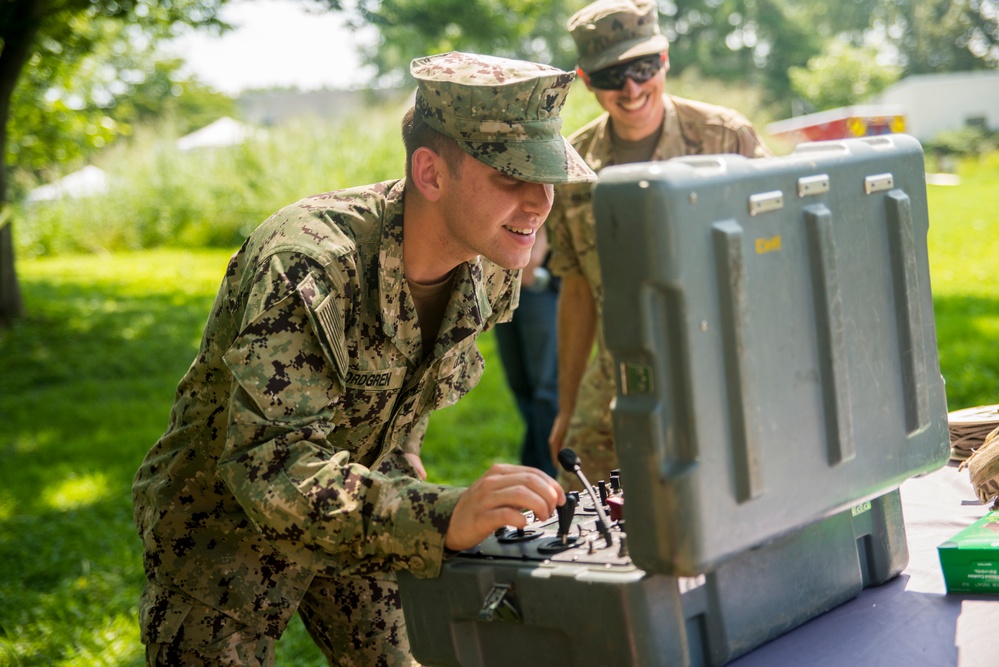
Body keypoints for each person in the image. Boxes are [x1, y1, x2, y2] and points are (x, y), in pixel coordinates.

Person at [132, 51, 596, 666]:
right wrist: (444, 515)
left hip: (363, 509)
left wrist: (407, 471)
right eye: (512, 177)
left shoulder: (489, 260)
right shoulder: (308, 261)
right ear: (431, 174)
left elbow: (402, 396)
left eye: (547, 177)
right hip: (220, 530)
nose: (540, 203)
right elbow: (268, 466)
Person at [546, 0, 773, 489]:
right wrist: (566, 406)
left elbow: (777, 257)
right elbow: (578, 290)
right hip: (618, 375)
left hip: (723, 366)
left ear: (664, 59)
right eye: (611, 76)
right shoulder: (573, 167)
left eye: (642, 68)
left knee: (730, 495)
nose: (630, 89)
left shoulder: (724, 140)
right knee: (583, 500)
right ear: (586, 80)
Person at [493, 224, 560, 478]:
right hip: (503, 272)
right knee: (521, 384)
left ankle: (551, 476)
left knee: (546, 388)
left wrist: (540, 242)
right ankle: (535, 470)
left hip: (538, 274)